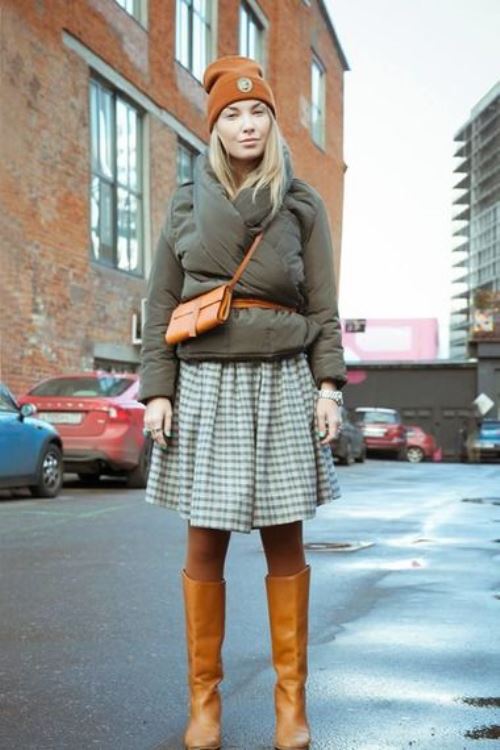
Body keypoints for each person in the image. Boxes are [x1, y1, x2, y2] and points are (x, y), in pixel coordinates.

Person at [138, 55, 348, 750]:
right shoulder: (185, 202)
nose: (247, 123)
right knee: (205, 542)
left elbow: (323, 306)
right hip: (206, 382)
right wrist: (158, 391)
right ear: (216, 127)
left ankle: (292, 706)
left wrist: (327, 386)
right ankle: (205, 705)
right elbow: (161, 303)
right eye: (233, 114)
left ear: (273, 122)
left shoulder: (301, 203)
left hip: (284, 378)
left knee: (286, 540)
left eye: (258, 111)